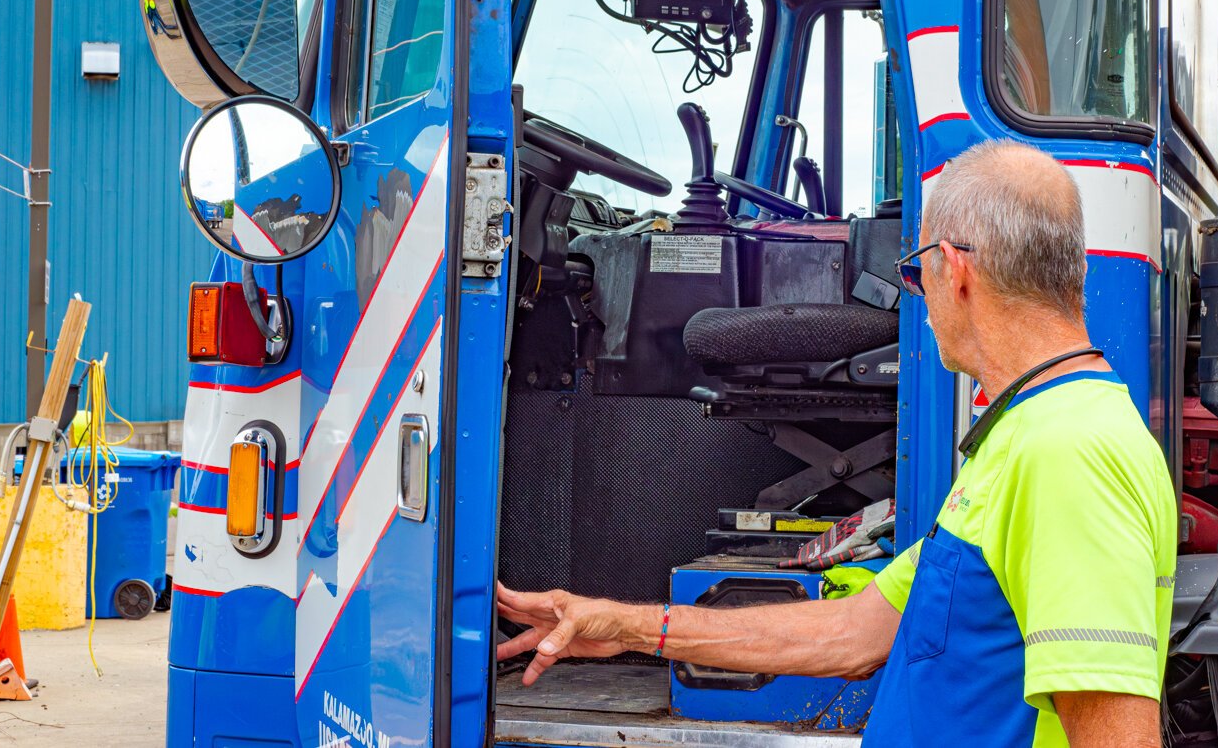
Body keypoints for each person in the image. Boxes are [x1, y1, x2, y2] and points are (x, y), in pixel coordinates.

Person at [496, 140, 1179, 748]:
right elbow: (857, 633)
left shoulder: (1068, 453)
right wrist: (623, 627)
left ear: (956, 271)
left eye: (913, 273)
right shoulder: (1025, 439)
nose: (920, 296)